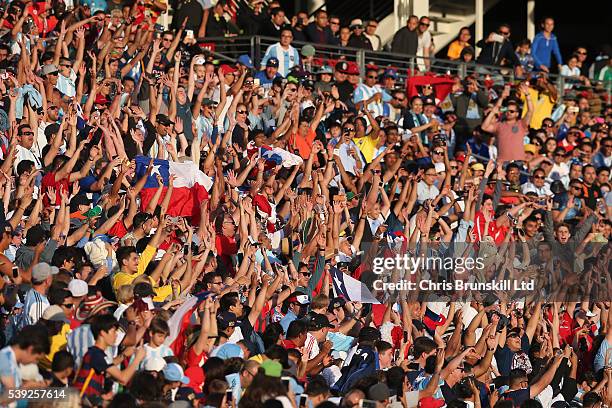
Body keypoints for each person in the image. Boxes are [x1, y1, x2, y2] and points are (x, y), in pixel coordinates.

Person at [481, 82, 533, 163]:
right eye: (507, 110)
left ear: (517, 113)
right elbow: (484, 127)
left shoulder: (521, 124)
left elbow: (530, 111)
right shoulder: (499, 125)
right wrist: (494, 110)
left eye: (512, 111)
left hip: (518, 162)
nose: (508, 113)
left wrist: (527, 95)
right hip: (502, 162)